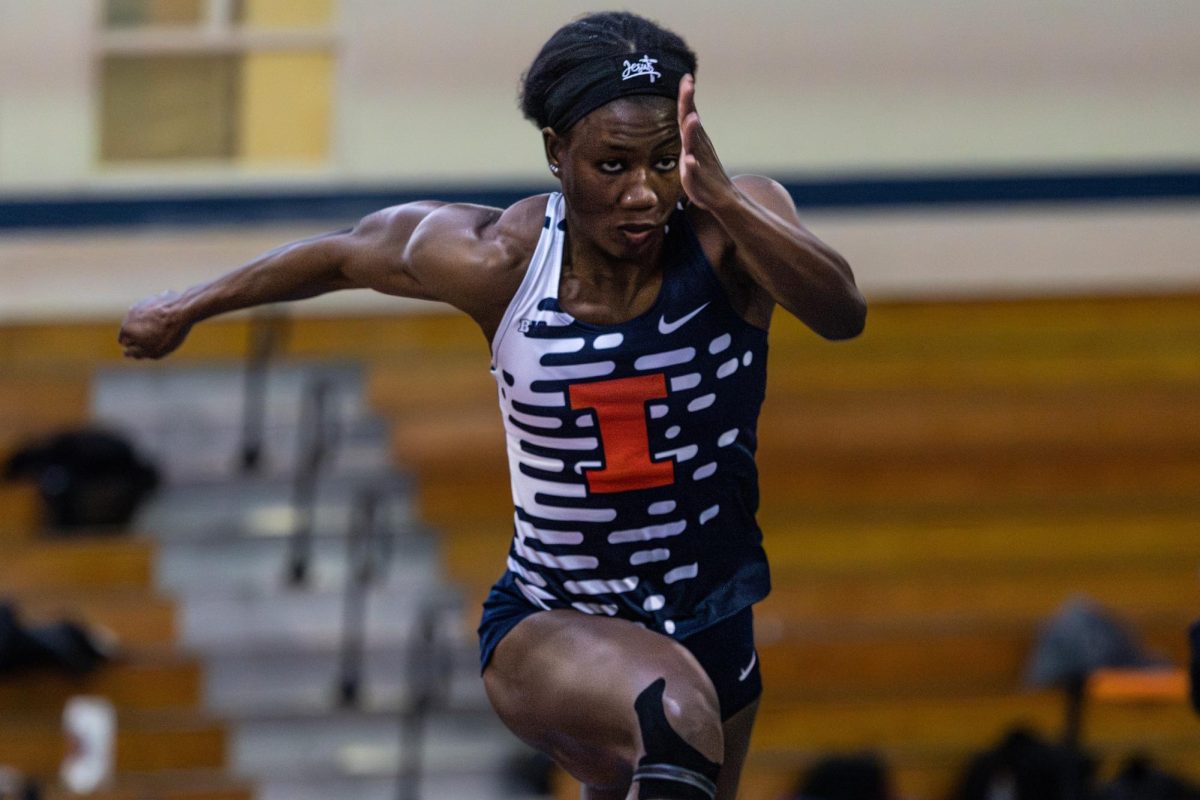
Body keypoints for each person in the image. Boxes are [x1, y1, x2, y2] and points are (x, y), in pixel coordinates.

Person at [118, 11, 866, 799]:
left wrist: (722, 196)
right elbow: (343, 253)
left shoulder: (732, 232)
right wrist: (186, 307)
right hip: (551, 625)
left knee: (682, 753)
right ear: (556, 152)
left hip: (712, 614)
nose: (643, 194)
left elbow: (841, 312)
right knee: (674, 718)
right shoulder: (502, 262)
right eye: (612, 165)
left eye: (663, 161)